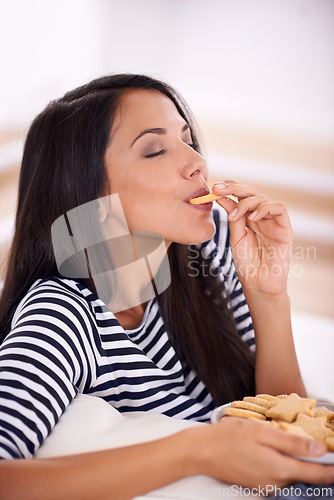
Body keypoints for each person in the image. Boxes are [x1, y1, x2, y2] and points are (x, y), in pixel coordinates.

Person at [0, 74, 333, 499]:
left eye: (188, 139)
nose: (197, 161)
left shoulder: (209, 249)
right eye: (155, 150)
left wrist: (268, 295)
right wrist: (197, 450)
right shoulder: (63, 317)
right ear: (90, 200)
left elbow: (289, 420)